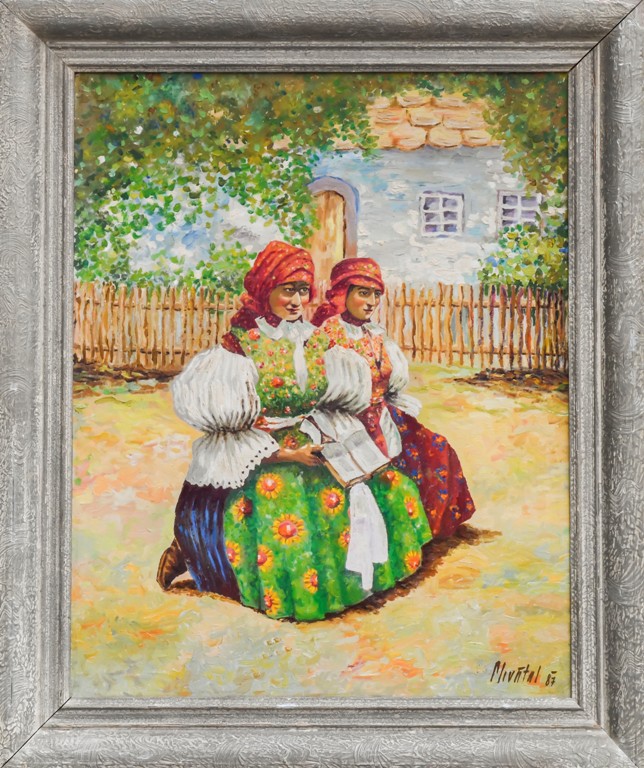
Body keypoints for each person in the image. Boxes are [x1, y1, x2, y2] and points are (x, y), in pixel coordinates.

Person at [158, 241, 432, 621]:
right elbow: (231, 426)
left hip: (313, 434)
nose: (297, 301)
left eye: (303, 290)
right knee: (290, 511)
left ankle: (362, 579)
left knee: (386, 486)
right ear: (265, 289)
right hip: (264, 448)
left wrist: (336, 437)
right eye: (288, 290)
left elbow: (333, 397)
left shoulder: (315, 337)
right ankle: (194, 552)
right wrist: (286, 454)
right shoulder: (241, 345)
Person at [312, 257, 476, 539]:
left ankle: (430, 531)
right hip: (345, 421)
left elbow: (390, 380)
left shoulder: (376, 333)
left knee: (436, 448)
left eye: (376, 294)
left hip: (383, 414)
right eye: (363, 293)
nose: (371, 302)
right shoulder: (328, 334)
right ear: (343, 293)